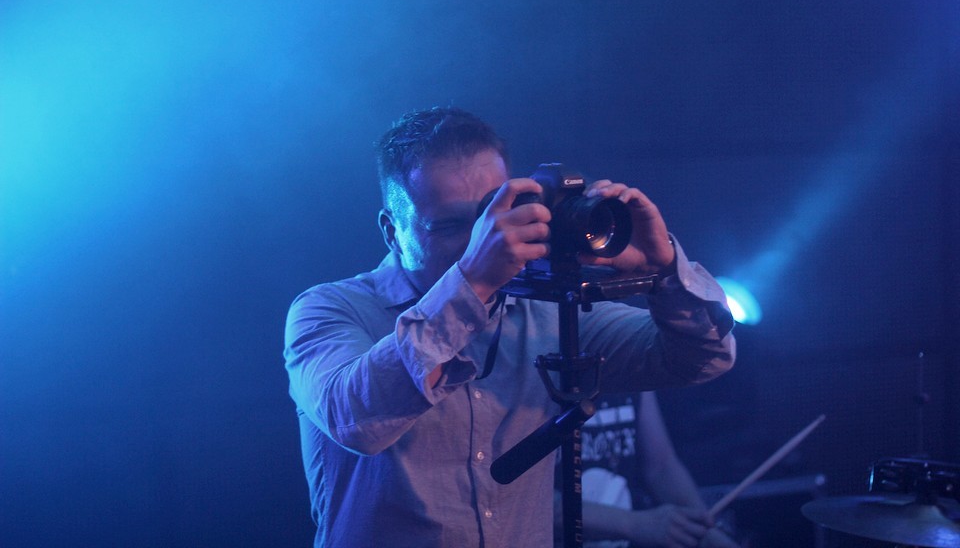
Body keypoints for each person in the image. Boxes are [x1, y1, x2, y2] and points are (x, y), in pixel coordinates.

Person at [284, 107, 736, 548]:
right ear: (392, 231)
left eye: (492, 215)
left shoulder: (544, 310)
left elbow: (704, 358)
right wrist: (472, 283)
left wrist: (665, 273)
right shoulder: (328, 309)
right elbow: (357, 421)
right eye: (450, 226)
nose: (483, 240)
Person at [570, 391, 740, 548]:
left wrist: (705, 530)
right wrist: (636, 524)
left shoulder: (633, 372)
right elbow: (552, 505)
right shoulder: (554, 380)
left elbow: (661, 467)